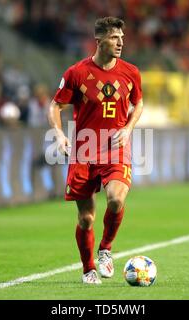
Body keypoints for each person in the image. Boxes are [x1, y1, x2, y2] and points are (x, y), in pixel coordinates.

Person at [48, 17, 143, 284]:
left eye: (122, 37)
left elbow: (139, 102)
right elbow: (55, 106)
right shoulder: (76, 73)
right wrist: (59, 135)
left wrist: (128, 128)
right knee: (86, 218)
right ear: (99, 40)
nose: (121, 42)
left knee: (116, 199)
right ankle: (88, 268)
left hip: (115, 149)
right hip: (84, 151)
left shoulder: (131, 72)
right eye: (115, 38)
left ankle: (106, 249)